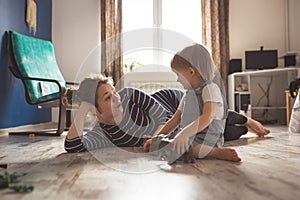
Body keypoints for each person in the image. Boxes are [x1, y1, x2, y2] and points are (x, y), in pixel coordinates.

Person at [65, 73, 269, 160]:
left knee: (210, 117)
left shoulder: (128, 95)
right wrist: (83, 109)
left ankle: (247, 120)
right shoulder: (101, 134)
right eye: (108, 98)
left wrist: (159, 138)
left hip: (172, 105)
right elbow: (72, 147)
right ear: (95, 108)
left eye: (114, 91)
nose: (117, 98)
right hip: (168, 133)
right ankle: (243, 129)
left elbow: (162, 115)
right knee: (226, 136)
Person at [143, 43, 269, 162]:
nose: (177, 79)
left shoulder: (210, 89)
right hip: (187, 136)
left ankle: (216, 153)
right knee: (162, 144)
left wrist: (184, 134)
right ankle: (177, 148)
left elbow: (207, 117)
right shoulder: (188, 94)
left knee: (192, 148)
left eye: (178, 75)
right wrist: (156, 138)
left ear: (191, 72)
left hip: (206, 139)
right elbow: (175, 120)